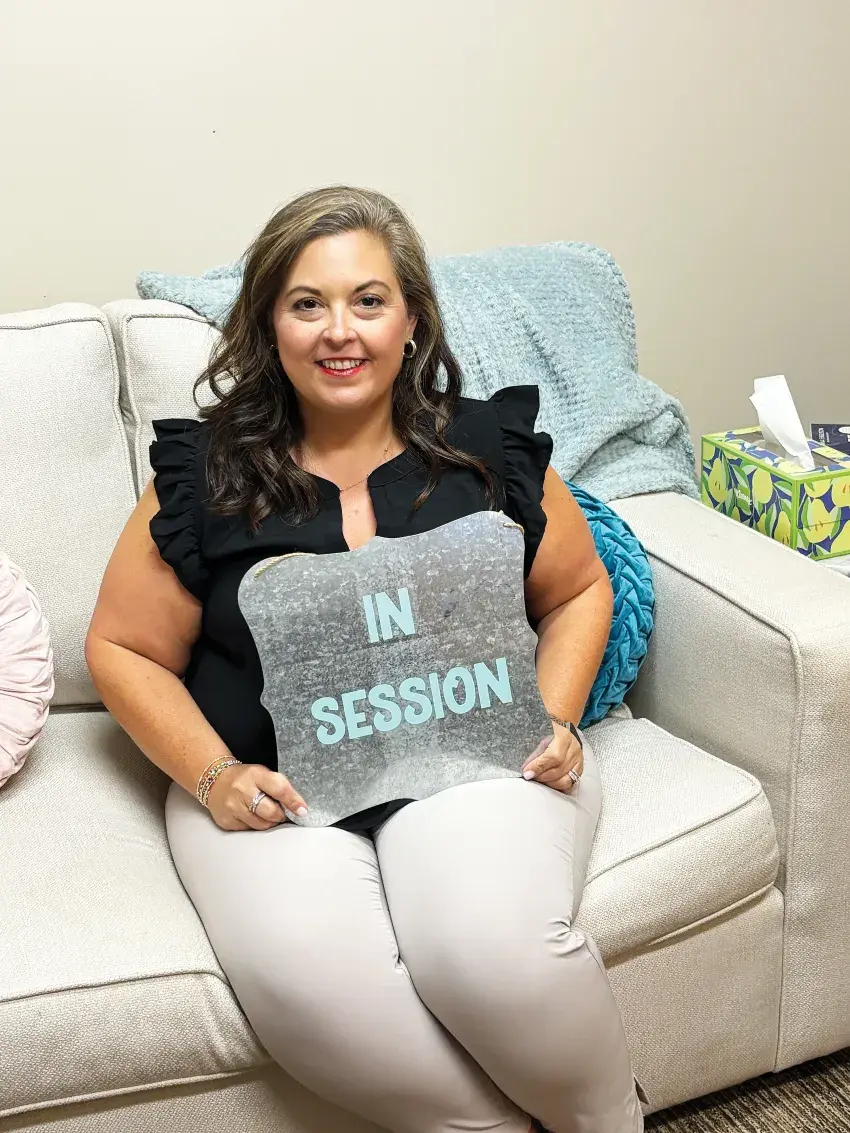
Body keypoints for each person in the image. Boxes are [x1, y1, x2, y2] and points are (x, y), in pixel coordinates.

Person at [85, 186, 644, 1133]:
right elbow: (121, 646)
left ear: (411, 318)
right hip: (275, 794)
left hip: (474, 759)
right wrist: (213, 775)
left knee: (486, 949)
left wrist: (552, 715)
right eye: (307, 303)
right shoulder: (205, 473)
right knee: (317, 989)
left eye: (369, 300)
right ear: (269, 324)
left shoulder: (487, 447)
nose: (339, 331)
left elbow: (580, 589)